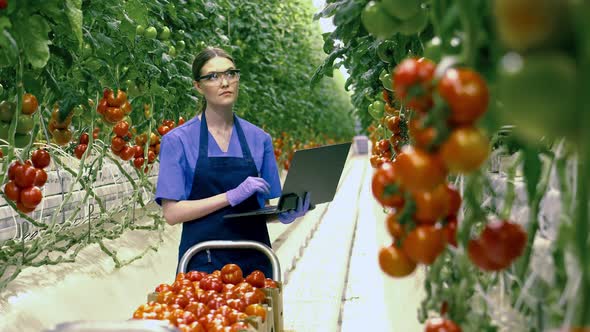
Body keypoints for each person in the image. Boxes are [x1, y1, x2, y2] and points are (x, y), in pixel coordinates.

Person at [155, 47, 311, 279]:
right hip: (202, 266)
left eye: (230, 74)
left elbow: (260, 210)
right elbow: (172, 213)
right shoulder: (178, 140)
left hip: (255, 263)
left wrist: (285, 213)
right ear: (198, 86)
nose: (224, 82)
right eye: (213, 76)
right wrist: (230, 196)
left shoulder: (259, 139)